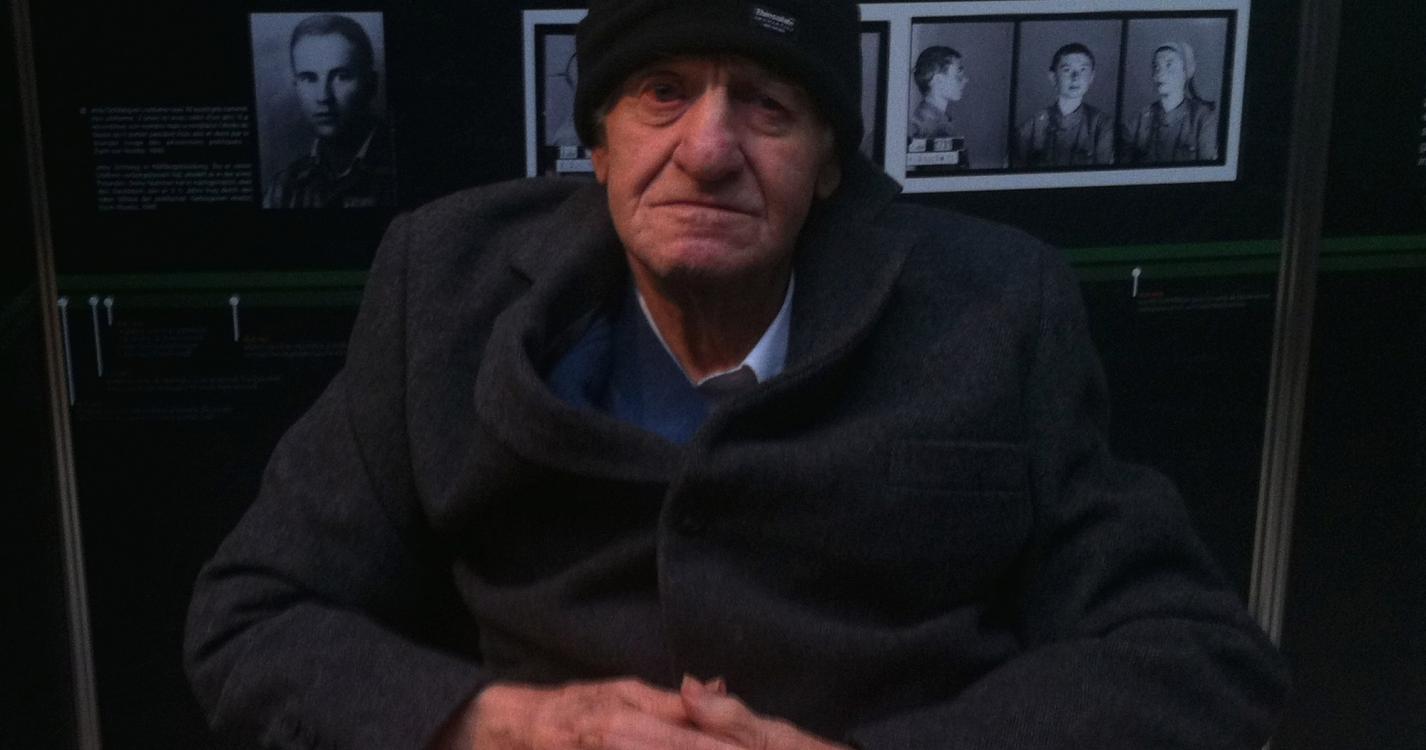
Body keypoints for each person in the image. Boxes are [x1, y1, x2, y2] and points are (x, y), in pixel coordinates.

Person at [186, 2, 1287, 748]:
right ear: (599, 143)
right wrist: (510, 726)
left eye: (766, 104)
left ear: (829, 163)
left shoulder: (996, 307)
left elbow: (1192, 656)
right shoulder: (444, 288)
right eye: (662, 92)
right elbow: (254, 617)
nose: (709, 150)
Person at [264, 13, 395, 209]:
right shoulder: (284, 187)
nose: (324, 96)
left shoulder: (398, 167)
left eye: (341, 76)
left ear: (371, 84)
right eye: (309, 78)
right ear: (296, 86)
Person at [1014, 42, 1114, 167]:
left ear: (1091, 77)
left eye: (1082, 70)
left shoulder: (1102, 125)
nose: (1075, 77)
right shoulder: (1031, 127)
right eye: (1067, 70)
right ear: (1053, 77)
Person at [1123, 41, 1220, 164]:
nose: (1160, 73)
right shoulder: (1140, 119)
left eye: (1169, 65)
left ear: (1186, 72)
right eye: (1156, 66)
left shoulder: (1203, 117)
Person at [908, 45, 966, 140]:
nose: (965, 80)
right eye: (958, 76)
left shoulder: (938, 117)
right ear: (937, 80)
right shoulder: (927, 123)